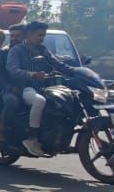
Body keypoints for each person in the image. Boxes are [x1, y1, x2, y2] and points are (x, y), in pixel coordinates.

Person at [6, 21, 75, 156]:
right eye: (39, 35)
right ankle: (32, 138)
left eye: (43, 35)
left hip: (45, 86)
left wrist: (78, 72)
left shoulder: (43, 49)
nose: (42, 38)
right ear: (29, 35)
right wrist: (32, 74)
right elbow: (12, 70)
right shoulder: (17, 50)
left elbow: (57, 64)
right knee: (40, 101)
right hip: (26, 87)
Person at [0, 24, 25, 140]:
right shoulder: (4, 52)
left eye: (18, 36)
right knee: (12, 101)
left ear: (24, 37)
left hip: (25, 87)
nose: (14, 39)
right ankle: (2, 129)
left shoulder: (29, 51)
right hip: (4, 89)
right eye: (12, 36)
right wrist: (10, 88)